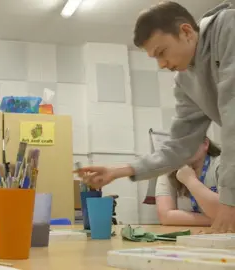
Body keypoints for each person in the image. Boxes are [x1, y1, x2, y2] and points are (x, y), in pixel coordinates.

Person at [79, 1, 235, 233]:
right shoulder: (185, 81)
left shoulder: (227, 26)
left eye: (162, 52)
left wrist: (229, 201)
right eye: (155, 58)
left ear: (186, 32)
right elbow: (178, 147)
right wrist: (121, 170)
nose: (162, 64)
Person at [156, 138, 221, 226]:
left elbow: (228, 211)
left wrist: (190, 180)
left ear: (205, 144)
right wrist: (215, 220)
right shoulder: (168, 168)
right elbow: (165, 216)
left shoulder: (224, 166)